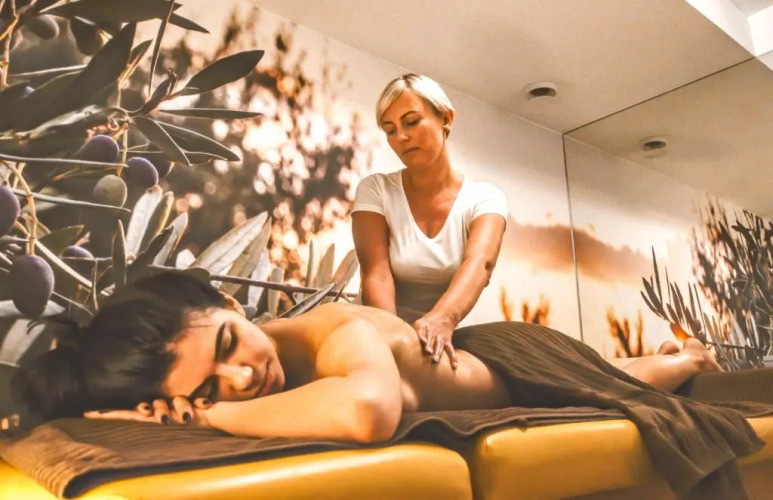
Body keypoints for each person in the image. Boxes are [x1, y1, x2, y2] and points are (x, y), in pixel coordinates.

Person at [14, 272, 723, 443]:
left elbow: (368, 411)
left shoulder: (332, 328)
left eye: (228, 344)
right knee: (623, 376)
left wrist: (208, 417)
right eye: (207, 388)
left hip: (513, 360)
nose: (242, 377)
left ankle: (692, 353)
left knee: (631, 380)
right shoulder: (253, 380)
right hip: (489, 376)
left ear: (232, 303)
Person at [352, 73, 508, 370]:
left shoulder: (485, 198)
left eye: (411, 122)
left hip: (440, 336)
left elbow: (480, 264)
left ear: (446, 118)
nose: (401, 137)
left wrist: (442, 320)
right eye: (390, 130)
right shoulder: (376, 190)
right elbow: (376, 273)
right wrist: (393, 341)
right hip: (378, 333)